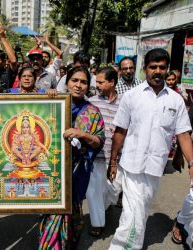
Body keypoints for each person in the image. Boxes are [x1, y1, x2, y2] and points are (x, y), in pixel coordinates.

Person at [107, 48, 193, 249]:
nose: (157, 71)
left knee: (141, 210)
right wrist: (113, 161)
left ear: (167, 70)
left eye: (162, 67)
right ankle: (123, 247)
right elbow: (120, 131)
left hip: (155, 168)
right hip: (131, 165)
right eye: (153, 67)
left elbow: (183, 134)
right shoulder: (131, 96)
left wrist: (192, 163)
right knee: (133, 214)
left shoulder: (175, 100)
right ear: (144, 69)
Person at [39, 67, 105, 248]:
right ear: (66, 82)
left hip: (77, 172)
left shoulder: (93, 112)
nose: (78, 85)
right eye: (74, 80)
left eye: (83, 82)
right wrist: (47, 98)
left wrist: (83, 134)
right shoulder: (52, 104)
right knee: (52, 214)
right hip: (50, 171)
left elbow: (98, 141)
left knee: (73, 212)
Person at [86, 66, 122, 237]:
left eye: (101, 82)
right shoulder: (92, 102)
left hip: (118, 157)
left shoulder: (124, 103)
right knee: (94, 191)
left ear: (112, 82)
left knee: (114, 191)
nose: (97, 85)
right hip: (97, 156)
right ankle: (97, 223)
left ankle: (105, 207)